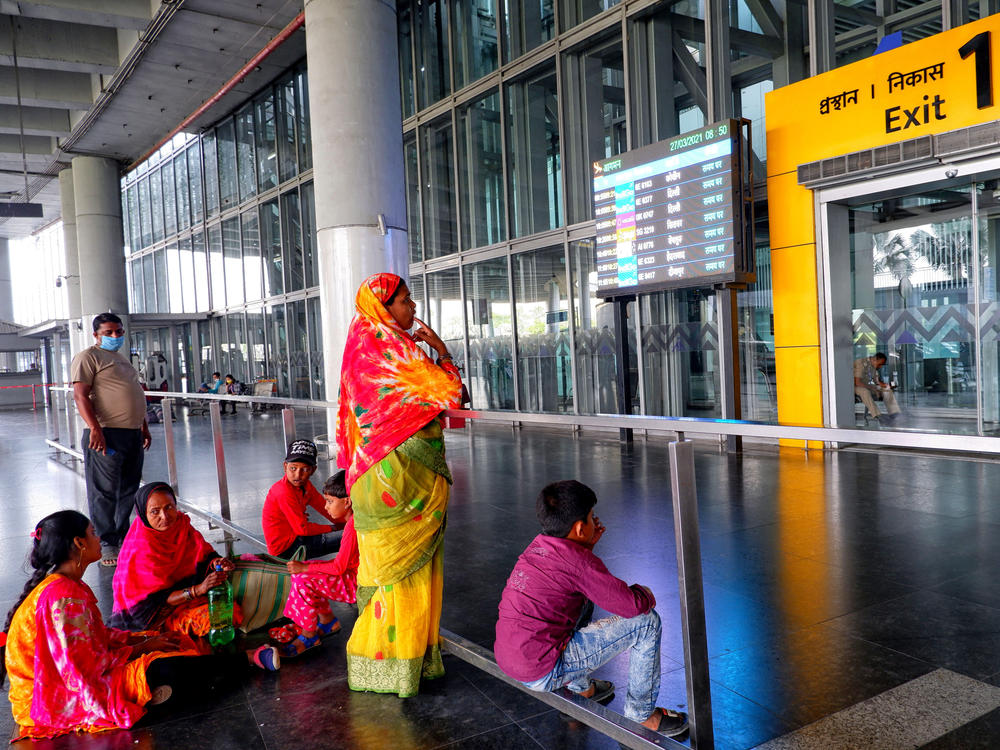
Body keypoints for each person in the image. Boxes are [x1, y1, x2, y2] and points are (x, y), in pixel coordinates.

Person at [0, 511, 279, 741]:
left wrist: (141, 643)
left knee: (167, 641)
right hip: (55, 697)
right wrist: (138, 652)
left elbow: (94, 638)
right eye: (93, 533)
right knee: (166, 668)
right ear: (79, 543)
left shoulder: (68, 585)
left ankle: (168, 684)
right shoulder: (62, 597)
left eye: (170, 508)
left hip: (83, 673)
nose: (99, 539)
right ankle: (244, 660)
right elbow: (80, 673)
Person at [336, 272, 462, 697]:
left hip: (371, 479)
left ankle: (381, 662)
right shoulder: (396, 348)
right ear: (384, 306)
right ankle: (409, 663)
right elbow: (450, 394)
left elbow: (351, 422)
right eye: (406, 301)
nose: (413, 309)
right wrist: (440, 349)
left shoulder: (358, 346)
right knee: (412, 572)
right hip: (405, 479)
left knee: (387, 572)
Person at [494, 480, 689, 738]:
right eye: (590, 517)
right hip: (543, 669)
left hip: (511, 657)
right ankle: (642, 716)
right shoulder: (579, 563)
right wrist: (645, 594)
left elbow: (572, 577)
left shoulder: (539, 545)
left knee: (580, 599)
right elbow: (629, 605)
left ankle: (582, 689)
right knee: (647, 622)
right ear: (578, 527)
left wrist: (585, 547)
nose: (593, 520)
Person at [71, 312, 151, 567]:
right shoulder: (88, 357)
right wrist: (94, 428)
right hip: (106, 433)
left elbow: (134, 393)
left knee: (128, 487)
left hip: (132, 433)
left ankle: (124, 536)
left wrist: (143, 426)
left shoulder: (120, 359)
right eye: (108, 332)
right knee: (104, 490)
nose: (115, 336)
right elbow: (80, 395)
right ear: (96, 335)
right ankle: (107, 542)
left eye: (118, 331)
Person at [110, 482, 242, 635]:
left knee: (232, 610)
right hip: (157, 618)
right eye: (154, 511)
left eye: (169, 507)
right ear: (143, 514)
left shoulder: (181, 527)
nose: (164, 516)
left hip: (188, 600)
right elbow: (154, 602)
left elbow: (202, 555)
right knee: (211, 618)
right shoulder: (139, 549)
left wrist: (215, 563)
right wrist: (197, 590)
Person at [278, 470, 359, 658]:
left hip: (356, 584)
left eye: (330, 501)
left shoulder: (353, 528)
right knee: (307, 571)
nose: (326, 506)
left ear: (347, 502)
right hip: (354, 575)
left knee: (303, 578)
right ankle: (327, 621)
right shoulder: (353, 523)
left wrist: (305, 567)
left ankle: (309, 634)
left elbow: (339, 567)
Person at [262, 439, 343, 559]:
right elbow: (303, 529)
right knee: (350, 536)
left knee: (350, 532)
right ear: (285, 466)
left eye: (304, 470)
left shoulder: (305, 486)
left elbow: (325, 508)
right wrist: (334, 528)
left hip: (296, 537)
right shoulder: (283, 491)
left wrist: (346, 522)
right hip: (286, 550)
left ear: (313, 470)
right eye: (293, 468)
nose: (298, 475)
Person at [853, 352, 900, 423]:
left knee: (886, 390)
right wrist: (873, 388)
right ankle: (877, 415)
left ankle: (894, 413)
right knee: (865, 391)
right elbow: (857, 382)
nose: (880, 367)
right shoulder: (860, 363)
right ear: (875, 359)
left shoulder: (873, 366)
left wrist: (887, 386)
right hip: (853, 386)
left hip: (865, 385)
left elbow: (877, 381)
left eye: (882, 365)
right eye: (880, 364)